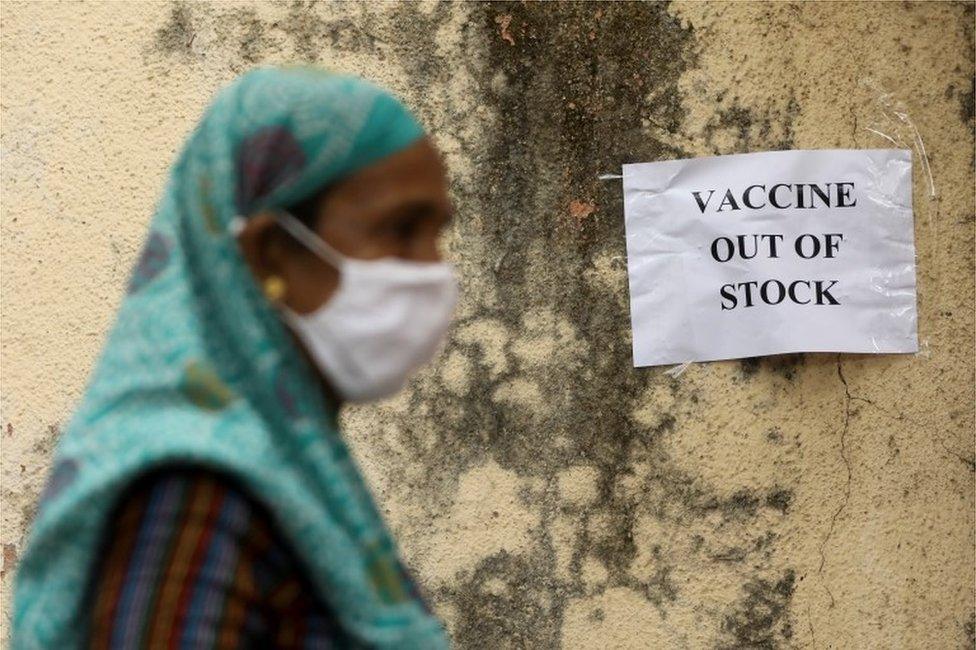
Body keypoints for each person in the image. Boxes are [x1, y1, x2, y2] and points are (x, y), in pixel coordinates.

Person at [12, 65, 456, 649]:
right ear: (271, 254)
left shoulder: (287, 468)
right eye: (401, 231)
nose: (433, 270)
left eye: (437, 233)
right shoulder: (194, 498)